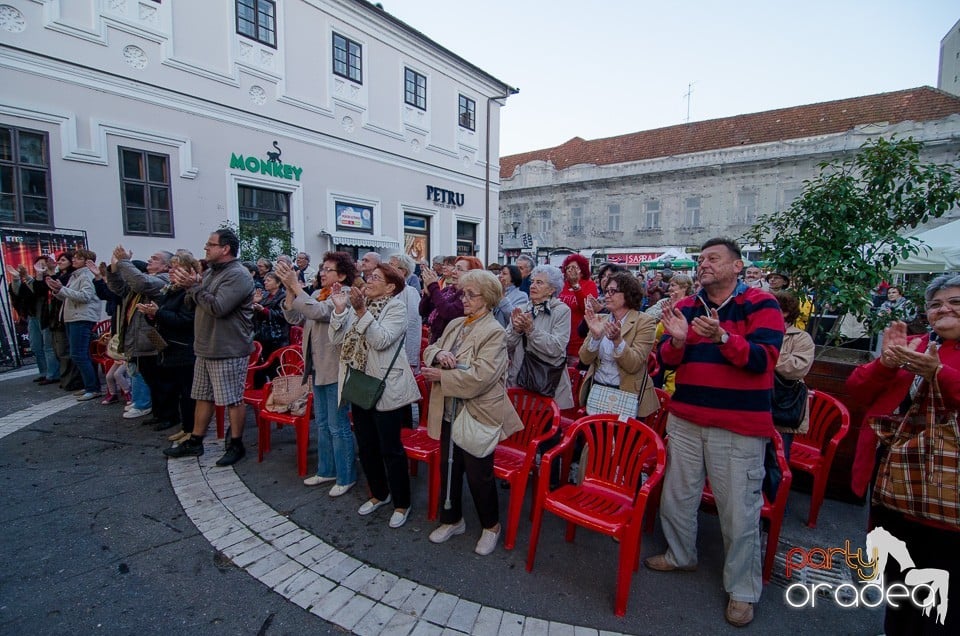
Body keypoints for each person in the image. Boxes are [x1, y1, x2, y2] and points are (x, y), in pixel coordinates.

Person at [645, 238, 784, 628]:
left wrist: (722, 338)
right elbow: (666, 363)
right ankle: (680, 554)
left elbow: (763, 361)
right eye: (701, 259)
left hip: (737, 427)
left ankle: (742, 591)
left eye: (713, 259)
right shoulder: (688, 306)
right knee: (677, 496)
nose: (703, 264)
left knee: (739, 511)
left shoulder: (761, 304)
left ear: (737, 267)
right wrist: (676, 339)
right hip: (687, 419)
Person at [846, 273, 960, 636]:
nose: (944, 309)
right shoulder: (913, 344)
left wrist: (938, 373)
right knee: (898, 575)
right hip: (895, 482)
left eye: (955, 302)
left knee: (945, 586)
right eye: (936, 303)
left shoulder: (932, 356)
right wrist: (887, 363)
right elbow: (857, 390)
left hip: (948, 493)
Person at [421, 270, 523, 555]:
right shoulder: (455, 323)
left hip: (477, 412)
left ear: (488, 299)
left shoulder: (493, 331)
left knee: (479, 474)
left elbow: (482, 377)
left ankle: (491, 526)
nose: (462, 298)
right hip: (449, 410)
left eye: (470, 294)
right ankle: (452, 520)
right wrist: (439, 356)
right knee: (449, 468)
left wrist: (443, 377)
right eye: (462, 292)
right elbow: (432, 347)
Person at [330, 263, 420, 528]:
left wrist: (359, 311)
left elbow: (381, 340)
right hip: (359, 383)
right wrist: (338, 309)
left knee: (390, 448)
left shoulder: (396, 308)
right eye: (368, 276)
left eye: (375, 278)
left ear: (390, 286)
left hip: (385, 386)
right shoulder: (362, 305)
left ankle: (402, 503)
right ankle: (379, 493)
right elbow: (337, 340)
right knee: (367, 445)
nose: (368, 280)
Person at [163, 228, 255, 466]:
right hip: (205, 346)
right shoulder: (212, 272)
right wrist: (187, 286)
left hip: (228, 347)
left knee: (233, 399)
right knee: (203, 396)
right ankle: (196, 441)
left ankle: (236, 444)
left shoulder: (238, 275)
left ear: (225, 249)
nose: (205, 248)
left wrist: (194, 287)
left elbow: (218, 307)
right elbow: (196, 304)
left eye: (210, 244)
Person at [277, 252, 359, 496]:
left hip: (335, 370)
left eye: (328, 270)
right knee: (322, 423)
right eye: (322, 268)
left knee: (338, 425)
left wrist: (295, 285)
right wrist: (290, 291)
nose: (322, 273)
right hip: (317, 369)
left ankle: (346, 475)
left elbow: (319, 312)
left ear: (342, 275)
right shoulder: (314, 294)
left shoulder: (344, 295)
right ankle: (326, 470)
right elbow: (294, 317)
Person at [579, 271, 659, 417]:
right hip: (598, 390)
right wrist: (596, 338)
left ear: (628, 294)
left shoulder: (644, 321)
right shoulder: (600, 319)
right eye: (606, 291)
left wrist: (618, 342)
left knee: (622, 439)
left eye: (613, 291)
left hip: (628, 394)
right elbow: (584, 359)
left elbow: (634, 364)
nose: (607, 295)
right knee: (595, 439)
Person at [106, 249, 173, 421]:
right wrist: (114, 269)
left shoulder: (164, 280)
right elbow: (119, 288)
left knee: (159, 381)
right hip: (139, 336)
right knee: (149, 378)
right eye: (150, 257)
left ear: (166, 266)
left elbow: (142, 283)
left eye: (155, 258)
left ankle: (166, 415)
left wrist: (124, 263)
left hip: (152, 338)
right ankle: (158, 413)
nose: (150, 259)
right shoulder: (144, 279)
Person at [763, 290, 815, 500]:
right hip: (756, 406)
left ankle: (774, 508)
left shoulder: (801, 338)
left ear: (784, 312)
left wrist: (770, 349)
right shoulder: (759, 331)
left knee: (776, 460)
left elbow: (797, 368)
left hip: (781, 409)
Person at [140, 251, 198, 438]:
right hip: (170, 346)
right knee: (178, 390)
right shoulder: (171, 290)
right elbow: (164, 316)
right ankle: (185, 427)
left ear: (188, 271)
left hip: (184, 347)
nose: (172, 272)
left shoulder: (188, 293)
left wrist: (158, 313)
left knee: (187, 392)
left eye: (176, 268)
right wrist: (151, 314)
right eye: (171, 268)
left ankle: (191, 429)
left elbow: (186, 321)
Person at [505, 265, 574, 410]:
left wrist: (531, 331)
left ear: (552, 289)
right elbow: (505, 346)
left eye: (539, 283)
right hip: (518, 382)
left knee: (543, 429)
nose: (533, 286)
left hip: (546, 384)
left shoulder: (562, 311)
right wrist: (516, 331)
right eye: (533, 281)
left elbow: (556, 348)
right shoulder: (522, 309)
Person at [47, 248, 103, 401]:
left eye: (78, 258)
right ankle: (90, 385)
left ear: (86, 261)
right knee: (82, 354)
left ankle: (92, 388)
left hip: (81, 317)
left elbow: (85, 296)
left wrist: (62, 289)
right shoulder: (75, 275)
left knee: (78, 354)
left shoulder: (86, 275)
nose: (74, 260)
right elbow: (67, 297)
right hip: (73, 317)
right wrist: (57, 291)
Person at [420, 256, 483, 343]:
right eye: (454, 268)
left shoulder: (469, 297)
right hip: (437, 344)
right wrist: (427, 295)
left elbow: (448, 312)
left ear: (472, 274)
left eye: (459, 269)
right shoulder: (447, 291)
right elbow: (423, 311)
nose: (453, 272)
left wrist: (433, 287)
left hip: (453, 344)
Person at [558, 254, 599, 365]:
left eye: (574, 267)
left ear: (582, 269)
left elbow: (586, 308)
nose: (571, 271)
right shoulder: (561, 285)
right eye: (568, 268)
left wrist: (576, 286)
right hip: (561, 338)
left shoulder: (590, 285)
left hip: (578, 339)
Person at [388, 253, 424, 374]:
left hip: (402, 353)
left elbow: (413, 326)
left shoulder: (410, 292)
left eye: (391, 265)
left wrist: (412, 359)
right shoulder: (385, 290)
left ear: (402, 271)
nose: (387, 268)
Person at [251, 272, 289, 360]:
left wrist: (264, 310)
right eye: (265, 280)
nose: (265, 282)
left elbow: (283, 315)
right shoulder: (264, 295)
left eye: (268, 280)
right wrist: (255, 302)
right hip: (262, 333)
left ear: (278, 283)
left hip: (276, 336)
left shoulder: (284, 296)